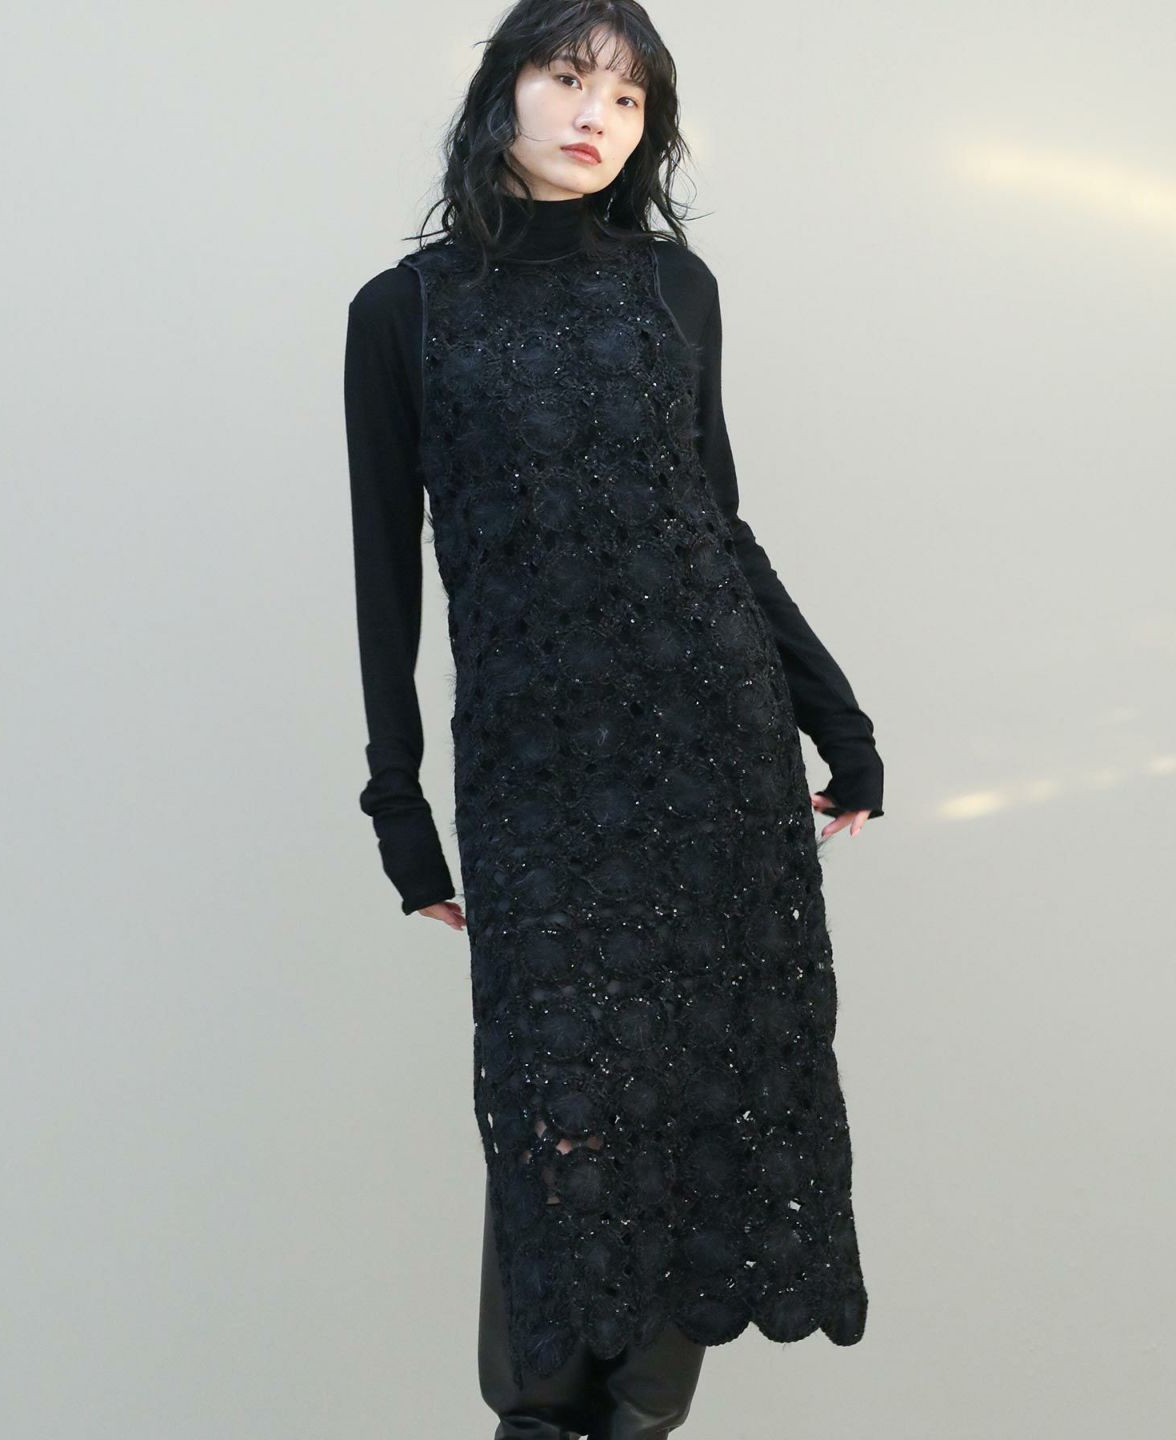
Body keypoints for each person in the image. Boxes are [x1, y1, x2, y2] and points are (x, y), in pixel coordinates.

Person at [343, 3, 885, 1435]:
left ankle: (641, 1425)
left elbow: (716, 524)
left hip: (713, 750)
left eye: (631, 98)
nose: (598, 115)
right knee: (560, 1111)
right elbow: (386, 571)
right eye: (569, 77)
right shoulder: (402, 313)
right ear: (502, 91)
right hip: (537, 774)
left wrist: (837, 719)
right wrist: (397, 802)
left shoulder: (673, 289)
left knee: (697, 1101)